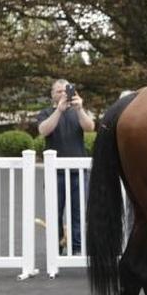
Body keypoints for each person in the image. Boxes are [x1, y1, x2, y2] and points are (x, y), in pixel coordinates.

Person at [36, 79, 95, 255]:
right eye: (59, 91)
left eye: (66, 91)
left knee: (78, 212)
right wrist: (59, 111)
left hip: (78, 171)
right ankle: (56, 247)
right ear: (52, 94)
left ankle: (77, 248)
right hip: (55, 173)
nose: (63, 94)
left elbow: (90, 127)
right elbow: (43, 130)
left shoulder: (77, 111)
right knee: (54, 211)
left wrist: (80, 109)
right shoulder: (46, 112)